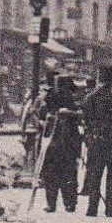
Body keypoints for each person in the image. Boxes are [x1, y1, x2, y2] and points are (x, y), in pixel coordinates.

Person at [80, 65, 112, 217]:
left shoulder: (89, 98)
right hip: (111, 142)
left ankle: (92, 208)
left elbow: (85, 120)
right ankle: (111, 208)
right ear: (110, 80)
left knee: (95, 174)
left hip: (94, 142)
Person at [38, 74, 82, 213]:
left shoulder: (72, 104)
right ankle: (54, 204)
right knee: (54, 175)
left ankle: (68, 203)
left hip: (66, 145)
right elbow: (41, 114)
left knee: (66, 175)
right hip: (54, 144)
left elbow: (81, 117)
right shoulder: (50, 99)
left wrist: (70, 113)